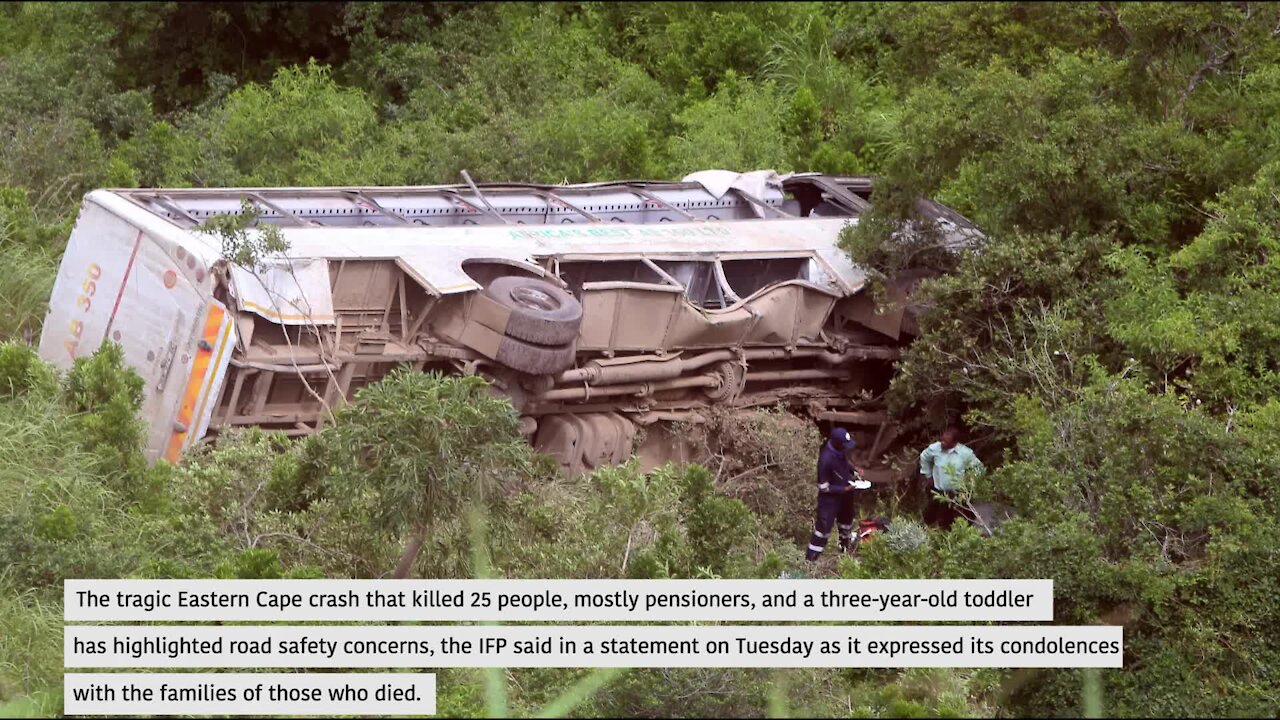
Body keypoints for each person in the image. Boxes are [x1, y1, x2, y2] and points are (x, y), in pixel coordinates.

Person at [806, 427, 871, 561]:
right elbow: (823, 487)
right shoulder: (826, 459)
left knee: (846, 524)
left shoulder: (840, 451)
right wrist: (843, 489)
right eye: (844, 445)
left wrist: (854, 470)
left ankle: (844, 550)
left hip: (845, 496)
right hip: (829, 501)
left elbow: (844, 465)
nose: (846, 448)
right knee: (823, 531)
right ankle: (811, 560)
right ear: (837, 443)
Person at [919, 426, 984, 528]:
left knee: (952, 520)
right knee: (928, 516)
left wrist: (970, 481)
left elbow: (979, 468)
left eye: (946, 441)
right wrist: (927, 475)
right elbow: (924, 457)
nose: (942, 443)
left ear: (954, 443)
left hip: (956, 493)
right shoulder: (934, 448)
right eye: (942, 440)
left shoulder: (965, 453)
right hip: (938, 491)